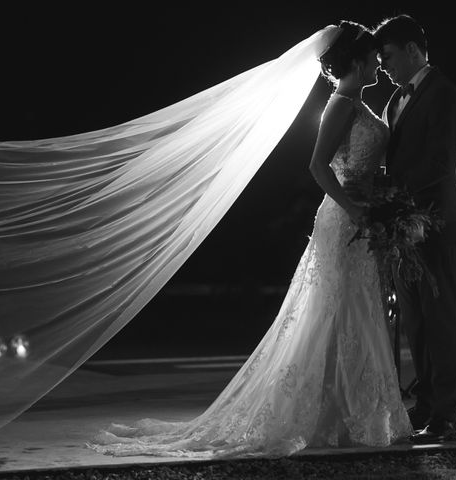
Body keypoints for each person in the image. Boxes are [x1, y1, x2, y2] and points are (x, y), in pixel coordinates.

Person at [87, 21, 412, 459]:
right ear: (356, 60)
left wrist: (378, 199)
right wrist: (355, 208)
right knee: (330, 311)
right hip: (344, 219)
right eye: (373, 56)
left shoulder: (359, 104)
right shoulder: (339, 104)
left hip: (363, 217)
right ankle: (327, 414)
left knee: (356, 313)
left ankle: (346, 414)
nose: (378, 62)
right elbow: (317, 167)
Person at [373, 14, 456, 444]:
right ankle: (425, 402)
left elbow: (439, 162)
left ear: (413, 49)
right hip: (402, 229)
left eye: (388, 56)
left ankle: (446, 411)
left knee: (441, 318)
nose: (384, 66)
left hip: (435, 222)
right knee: (415, 322)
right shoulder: (394, 102)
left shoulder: (444, 93)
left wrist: (395, 200)